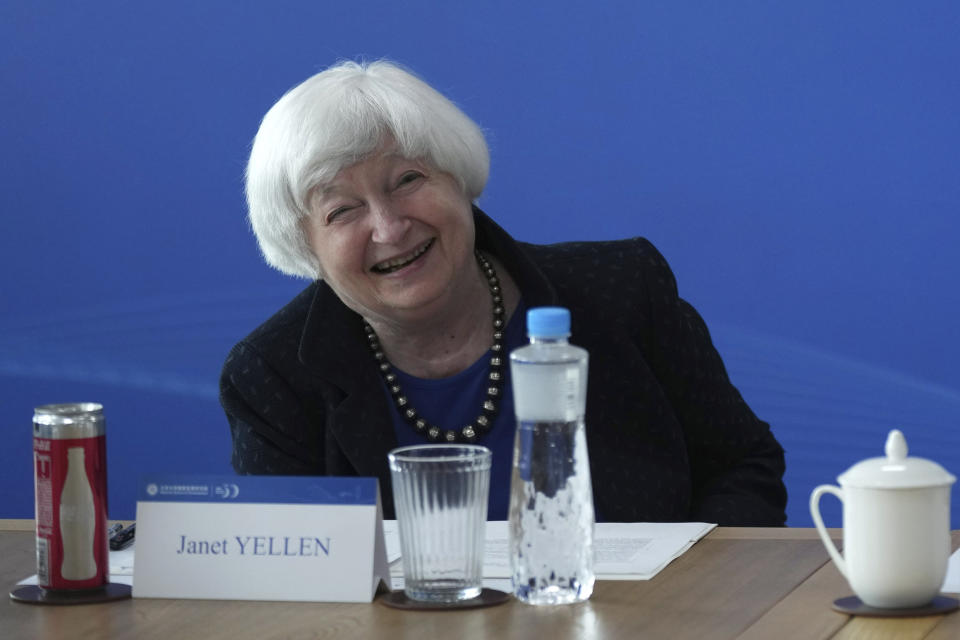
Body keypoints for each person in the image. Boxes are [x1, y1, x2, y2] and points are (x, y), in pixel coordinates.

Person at [220, 59, 787, 526]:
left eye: (409, 180)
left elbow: (741, 466)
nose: (389, 228)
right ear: (305, 247)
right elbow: (289, 577)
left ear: (458, 178)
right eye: (342, 210)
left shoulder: (622, 291)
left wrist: (686, 597)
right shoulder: (273, 375)